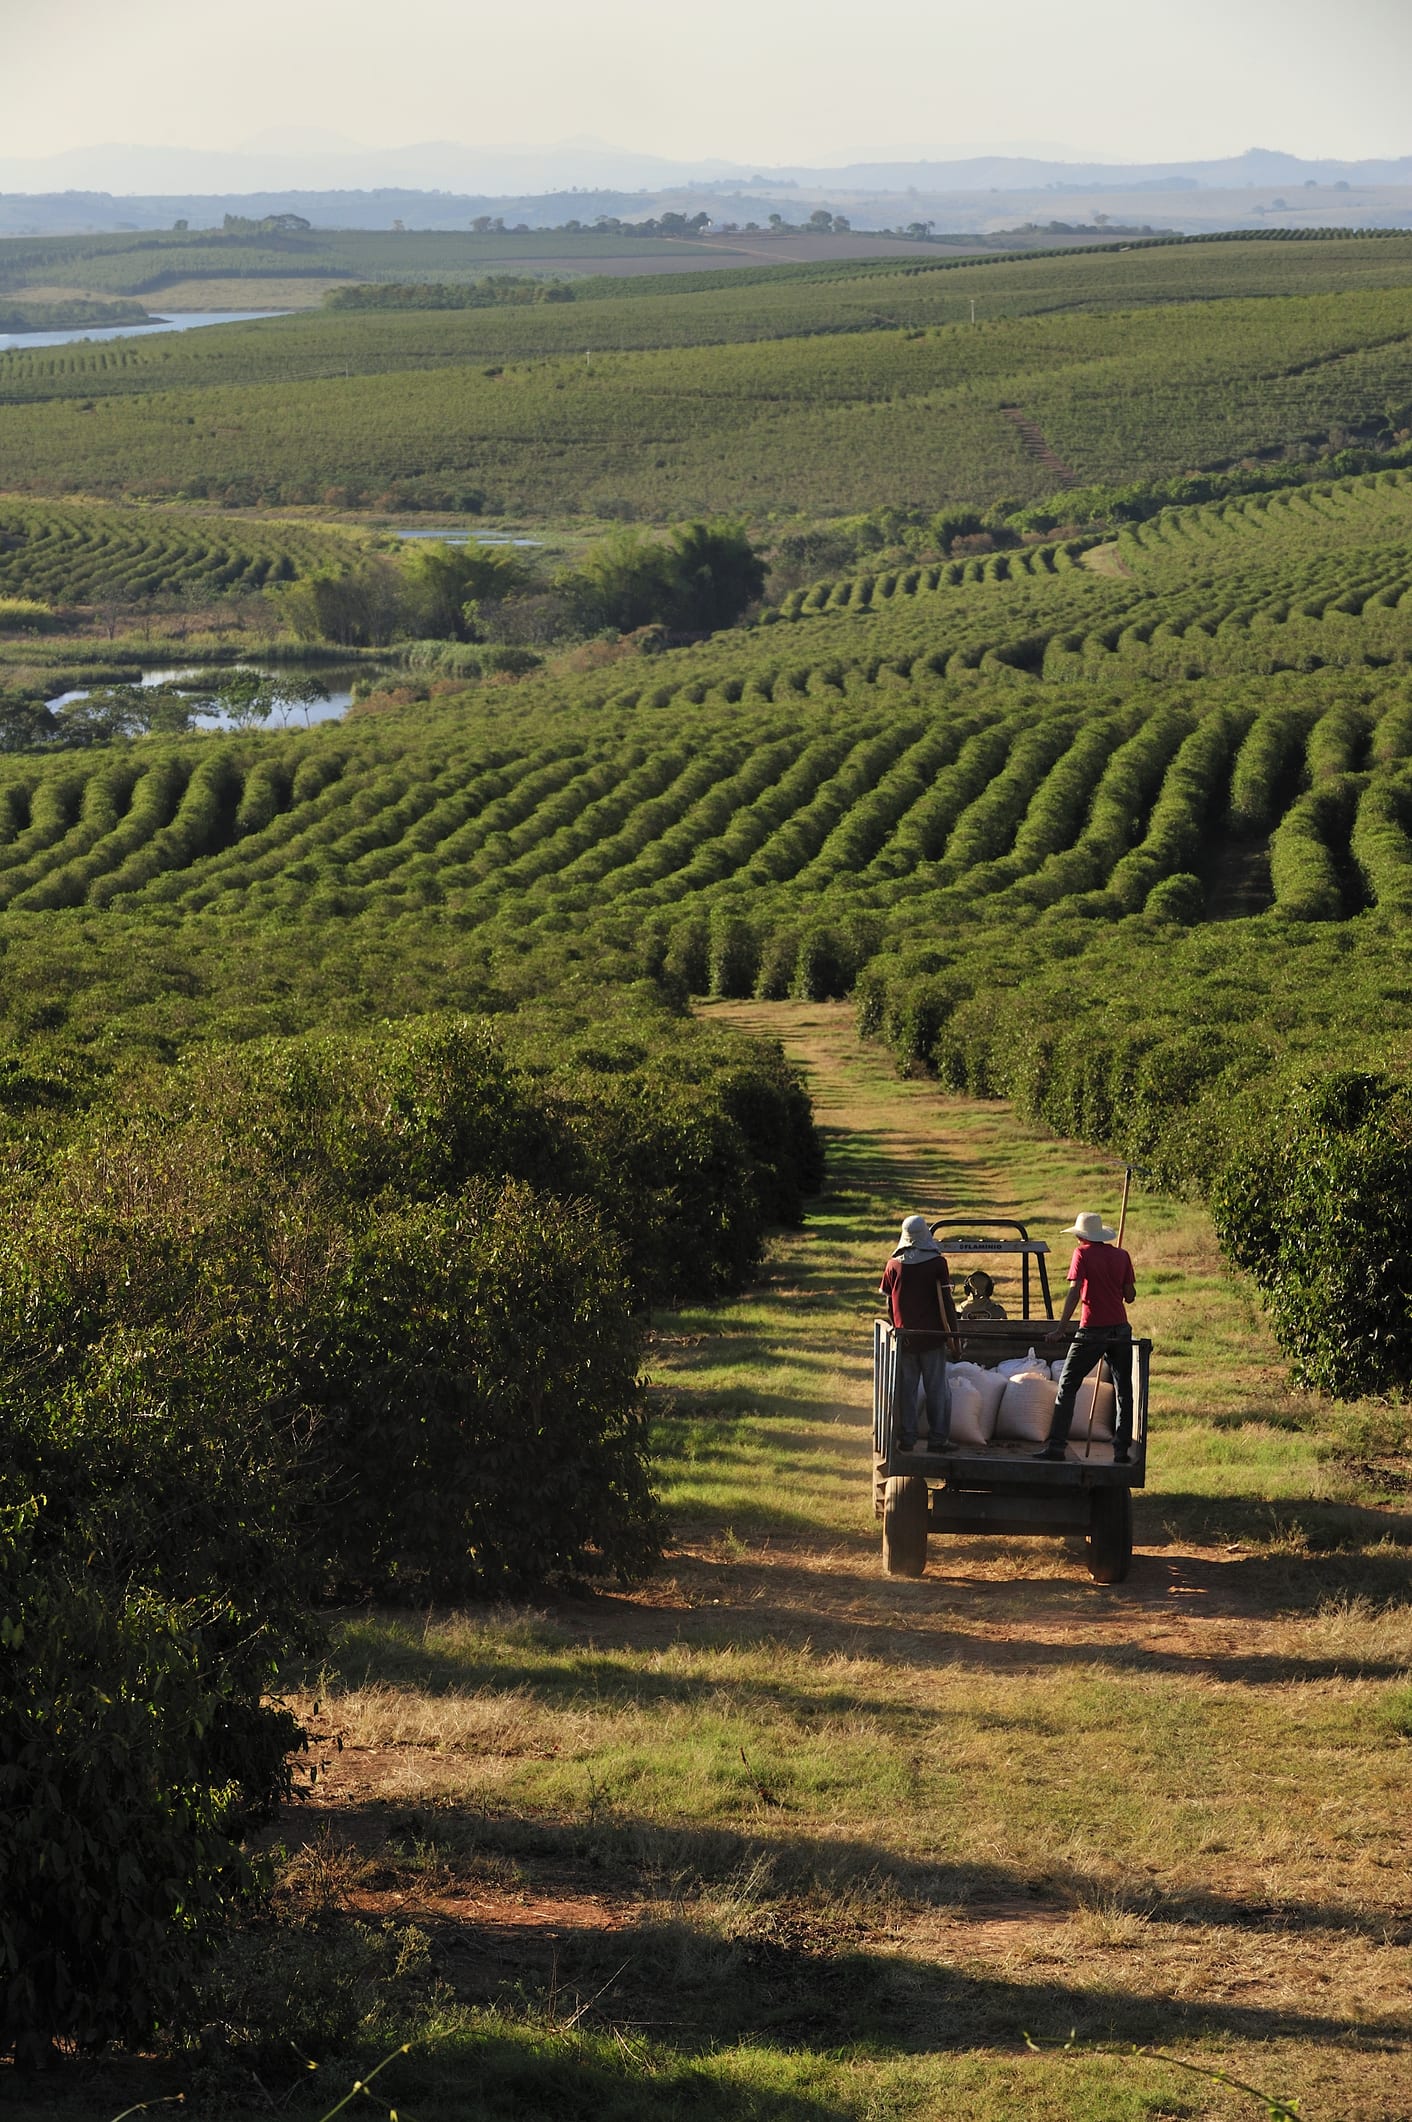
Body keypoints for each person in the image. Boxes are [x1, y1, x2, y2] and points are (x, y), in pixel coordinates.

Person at [1036, 1211, 1136, 1462]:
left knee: (1068, 1385)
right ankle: (1122, 1450)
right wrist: (1119, 1273)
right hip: (1121, 1329)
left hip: (1092, 1330)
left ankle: (1057, 1447)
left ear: (1080, 1235)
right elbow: (1130, 1296)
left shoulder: (1081, 1254)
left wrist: (1060, 1329)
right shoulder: (1121, 1255)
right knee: (1123, 1390)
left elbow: (1074, 1292)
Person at [879, 1215, 961, 1452]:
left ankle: (907, 1438)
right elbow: (947, 1303)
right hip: (932, 1338)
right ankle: (938, 1440)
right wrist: (954, 1339)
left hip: (905, 1339)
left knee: (907, 1391)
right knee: (937, 1390)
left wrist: (897, 1327)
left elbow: (888, 1303)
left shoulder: (893, 1264)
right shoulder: (937, 1263)